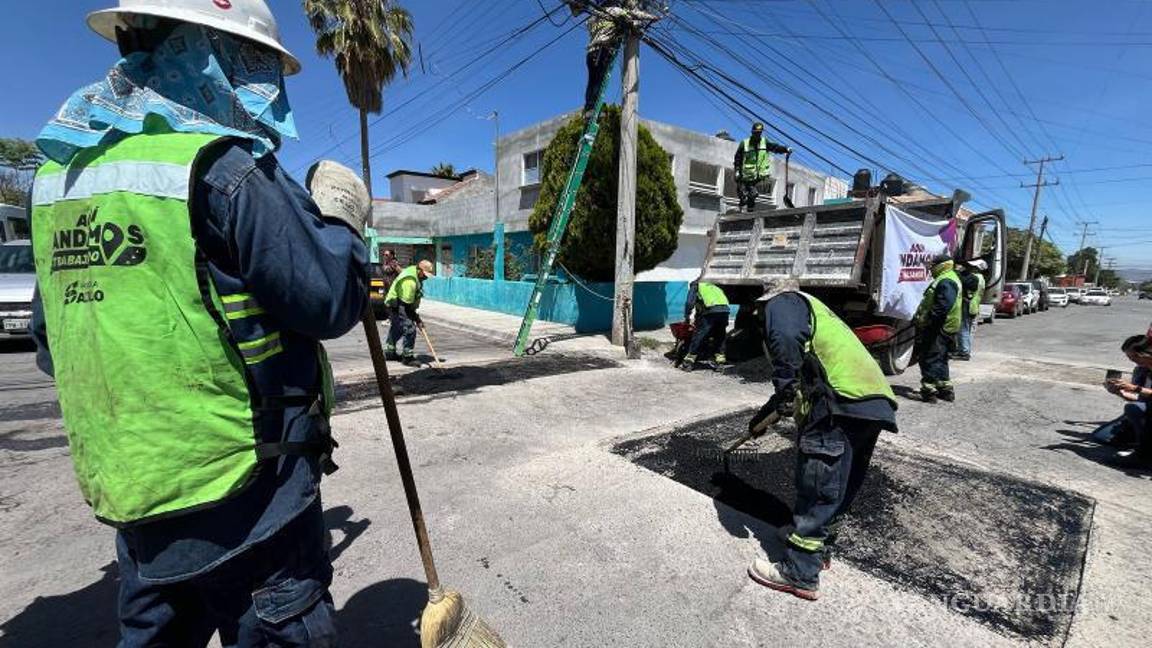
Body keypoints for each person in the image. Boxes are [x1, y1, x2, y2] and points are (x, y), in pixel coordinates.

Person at [28, 2, 369, 645]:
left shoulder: (55, 181)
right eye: (256, 64)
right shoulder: (223, 167)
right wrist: (342, 221)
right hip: (249, 489)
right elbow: (328, 302)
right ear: (212, 56)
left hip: (136, 489)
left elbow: (53, 345)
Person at [746, 278, 898, 600]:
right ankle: (818, 549)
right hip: (872, 404)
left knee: (818, 485)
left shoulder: (786, 301)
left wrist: (784, 385)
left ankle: (799, 571)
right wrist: (759, 422)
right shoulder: (820, 316)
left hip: (837, 405)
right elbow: (787, 397)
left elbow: (784, 339)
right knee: (839, 486)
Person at [567, 1, 659, 120]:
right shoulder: (615, 11)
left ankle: (589, 108)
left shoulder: (592, 18)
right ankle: (592, 111)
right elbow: (633, 15)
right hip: (603, 51)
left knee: (592, 82)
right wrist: (652, 17)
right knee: (598, 83)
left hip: (590, 53)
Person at [914, 252, 962, 403]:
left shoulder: (946, 280)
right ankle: (945, 389)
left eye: (933, 265)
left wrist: (928, 321)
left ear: (940, 266)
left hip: (938, 327)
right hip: (947, 326)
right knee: (941, 358)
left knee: (929, 357)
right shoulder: (950, 277)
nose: (930, 268)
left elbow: (943, 306)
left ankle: (929, 391)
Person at [1104, 335, 1152, 470]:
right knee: (1133, 409)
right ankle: (1141, 448)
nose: (1133, 360)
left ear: (1147, 352)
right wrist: (1121, 393)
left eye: (1135, 356)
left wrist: (1135, 388)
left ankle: (1144, 456)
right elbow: (1142, 400)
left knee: (1136, 410)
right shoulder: (1142, 370)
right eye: (1129, 358)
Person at [385, 259, 436, 363]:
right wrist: (417, 320)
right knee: (410, 328)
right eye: (425, 275)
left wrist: (417, 319)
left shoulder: (414, 272)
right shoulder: (410, 282)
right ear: (420, 270)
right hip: (398, 303)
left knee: (397, 327)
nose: (426, 278)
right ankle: (408, 357)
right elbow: (407, 307)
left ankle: (390, 353)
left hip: (399, 302)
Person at [733, 122, 791, 212]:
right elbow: (738, 158)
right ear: (752, 132)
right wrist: (737, 170)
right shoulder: (745, 143)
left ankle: (749, 212)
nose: (757, 134)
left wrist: (785, 149)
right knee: (746, 195)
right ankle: (742, 204)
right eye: (756, 132)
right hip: (746, 176)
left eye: (759, 133)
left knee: (753, 195)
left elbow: (774, 147)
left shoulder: (764, 142)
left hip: (759, 177)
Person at [680, 278, 731, 372]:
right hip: (725, 311)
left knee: (699, 335)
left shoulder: (696, 285)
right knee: (720, 335)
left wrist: (687, 316)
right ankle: (719, 363)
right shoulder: (714, 286)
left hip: (710, 311)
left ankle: (688, 362)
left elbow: (689, 302)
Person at [951, 259, 987, 361]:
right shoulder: (982, 278)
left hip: (968, 304)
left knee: (963, 328)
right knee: (968, 329)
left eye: (973, 267)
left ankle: (964, 352)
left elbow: (965, 283)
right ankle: (965, 350)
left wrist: (958, 272)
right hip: (974, 306)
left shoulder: (975, 278)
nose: (970, 268)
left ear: (977, 268)